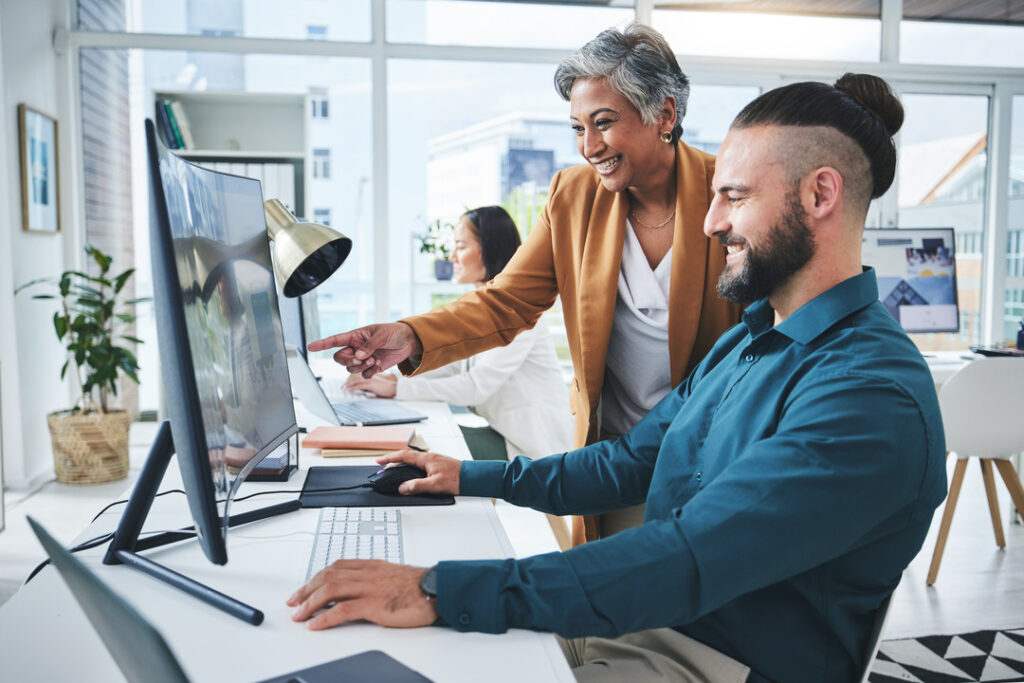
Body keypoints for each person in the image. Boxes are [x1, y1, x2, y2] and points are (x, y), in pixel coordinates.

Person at [287, 73, 948, 682]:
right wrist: (470, 477)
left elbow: (687, 556)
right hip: (649, 620)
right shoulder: (747, 341)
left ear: (820, 194)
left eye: (734, 197)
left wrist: (435, 587)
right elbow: (630, 463)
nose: (712, 222)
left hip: (715, 659)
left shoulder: (869, 396)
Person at [310, 24, 742, 544]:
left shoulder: (731, 195)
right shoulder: (574, 195)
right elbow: (507, 300)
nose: (589, 147)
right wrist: (410, 334)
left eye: (603, 123)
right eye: (578, 128)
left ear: (665, 114)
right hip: (611, 457)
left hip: (712, 457)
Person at [345, 206, 572, 463]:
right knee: (413, 441)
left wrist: (397, 387)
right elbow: (451, 367)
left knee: (418, 447)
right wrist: (386, 375)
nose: (452, 256)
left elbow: (475, 387)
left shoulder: (520, 314)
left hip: (535, 446)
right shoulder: (480, 308)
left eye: (461, 246)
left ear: (491, 248)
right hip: (506, 433)